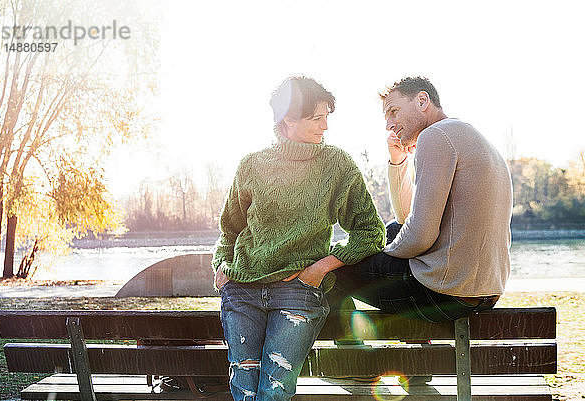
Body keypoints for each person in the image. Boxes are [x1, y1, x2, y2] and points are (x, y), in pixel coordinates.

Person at [212, 76, 385, 401]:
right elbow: (231, 230)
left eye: (326, 117)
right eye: (317, 118)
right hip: (242, 292)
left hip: (297, 293)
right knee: (244, 390)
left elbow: (370, 232)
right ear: (288, 121)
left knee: (274, 390)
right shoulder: (251, 165)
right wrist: (222, 265)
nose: (325, 127)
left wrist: (320, 269)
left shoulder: (336, 165)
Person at [328, 76, 513, 324]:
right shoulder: (464, 134)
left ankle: (352, 356)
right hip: (484, 290)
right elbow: (406, 220)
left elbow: (419, 237)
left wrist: (377, 252)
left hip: (446, 291)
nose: (390, 125)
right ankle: (412, 346)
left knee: (331, 266)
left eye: (394, 112)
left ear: (422, 100)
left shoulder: (436, 135)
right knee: (393, 229)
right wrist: (398, 161)